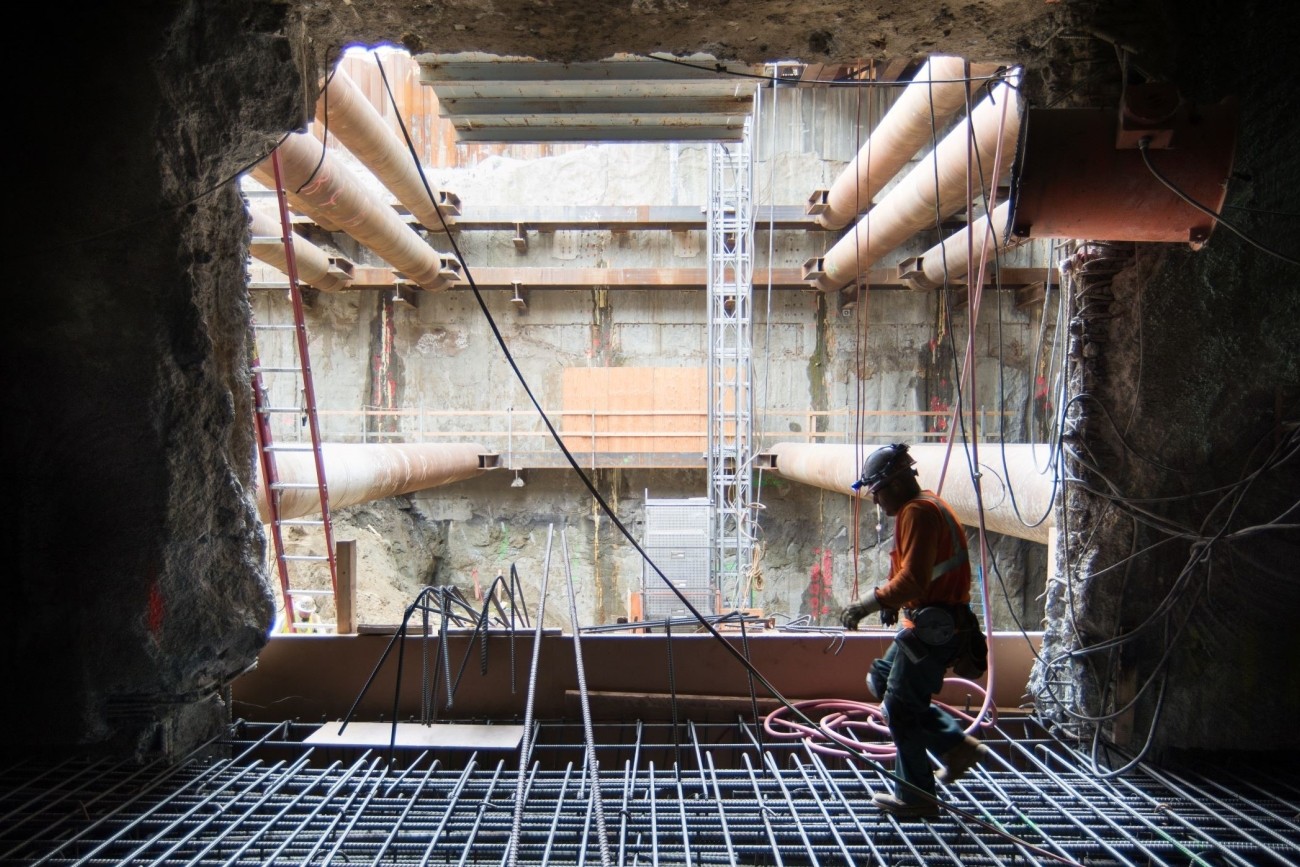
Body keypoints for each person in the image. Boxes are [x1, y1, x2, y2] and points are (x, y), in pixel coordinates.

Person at [840, 443, 988, 819]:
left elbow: (914, 578)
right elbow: (917, 572)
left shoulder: (918, 512)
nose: (877, 501)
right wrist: (894, 602)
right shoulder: (925, 506)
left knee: (901, 708)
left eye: (878, 491)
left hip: (933, 626)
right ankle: (956, 747)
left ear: (896, 483)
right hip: (931, 621)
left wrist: (869, 603)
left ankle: (916, 795)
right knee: (882, 678)